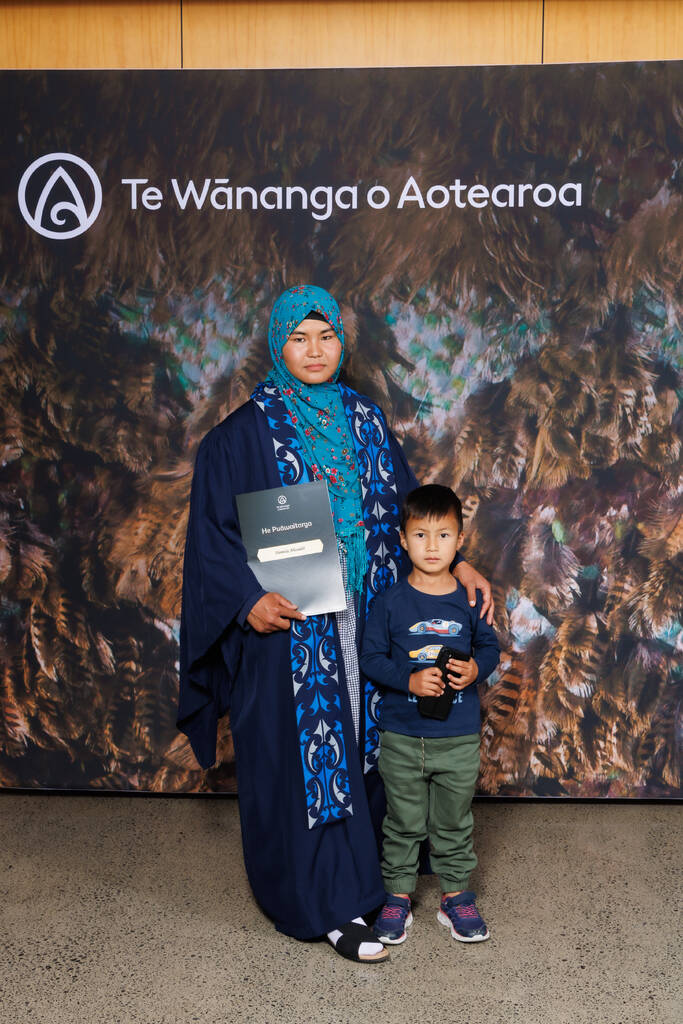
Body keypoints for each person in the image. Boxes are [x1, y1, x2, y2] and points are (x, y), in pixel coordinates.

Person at [178, 285, 494, 963]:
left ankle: (375, 885)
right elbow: (210, 542)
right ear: (276, 344)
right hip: (290, 628)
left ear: (342, 345)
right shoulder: (240, 436)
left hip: (372, 616)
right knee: (306, 761)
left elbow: (409, 514)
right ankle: (322, 903)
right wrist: (245, 602)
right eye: (299, 337)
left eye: (326, 337)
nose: (314, 351)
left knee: (368, 745)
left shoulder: (364, 418)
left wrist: (455, 563)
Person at [360, 484, 500, 946]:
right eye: (421, 535)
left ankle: (455, 896)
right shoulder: (391, 602)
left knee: (453, 822)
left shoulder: (469, 599)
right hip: (402, 737)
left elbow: (490, 647)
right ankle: (397, 896)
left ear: (460, 541)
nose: (433, 546)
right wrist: (409, 680)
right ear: (403, 540)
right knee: (402, 820)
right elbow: (371, 658)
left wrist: (477, 667)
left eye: (444, 535)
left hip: (458, 738)